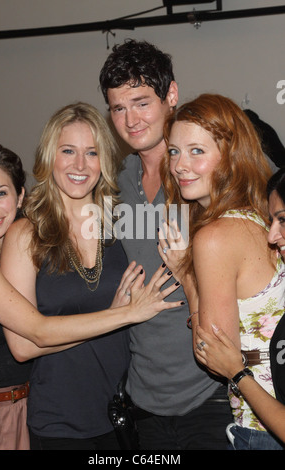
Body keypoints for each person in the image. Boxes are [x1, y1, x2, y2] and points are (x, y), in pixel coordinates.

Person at [0, 102, 182, 451]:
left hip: (129, 414)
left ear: (105, 162)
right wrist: (118, 315)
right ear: (49, 156)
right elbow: (23, 346)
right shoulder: (26, 234)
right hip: (60, 421)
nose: (80, 165)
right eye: (68, 151)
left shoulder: (122, 224)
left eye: (92, 153)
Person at [99, 39, 233, 450]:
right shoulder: (113, 185)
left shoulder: (206, 178)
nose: (130, 119)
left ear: (170, 95)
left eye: (141, 102)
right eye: (118, 108)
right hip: (143, 398)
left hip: (212, 392)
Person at [160, 93, 285, 450]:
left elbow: (213, 355)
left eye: (197, 151)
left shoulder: (214, 237)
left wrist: (187, 280)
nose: (180, 165)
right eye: (174, 151)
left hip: (261, 427)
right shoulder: (262, 212)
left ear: (230, 156)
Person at [194, 167, 285, 445]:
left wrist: (238, 372)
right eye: (271, 221)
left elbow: (212, 353)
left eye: (282, 220)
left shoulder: (217, 238)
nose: (271, 236)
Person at [0, 141, 31, 449]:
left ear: (20, 196)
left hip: (32, 407)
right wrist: (124, 313)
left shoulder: (32, 249)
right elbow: (32, 338)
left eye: (0, 193)